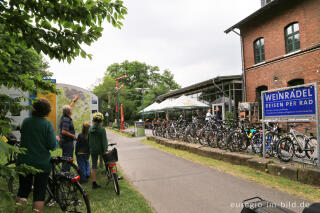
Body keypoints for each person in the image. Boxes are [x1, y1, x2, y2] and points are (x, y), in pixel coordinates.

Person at [16, 98, 59, 213]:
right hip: (42, 163)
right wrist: (56, 140)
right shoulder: (47, 124)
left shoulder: (26, 121)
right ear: (47, 111)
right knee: (39, 194)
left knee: (23, 190)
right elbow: (52, 146)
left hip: (24, 161)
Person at [88, 112, 108, 189]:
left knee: (93, 166)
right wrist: (106, 150)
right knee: (107, 161)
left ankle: (94, 183)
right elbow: (104, 141)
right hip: (101, 149)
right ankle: (108, 174)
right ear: (101, 121)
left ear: (93, 120)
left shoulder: (90, 129)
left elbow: (89, 140)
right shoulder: (102, 129)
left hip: (93, 150)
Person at [59, 95, 78, 163]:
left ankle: (65, 172)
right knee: (68, 159)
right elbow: (64, 131)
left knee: (66, 158)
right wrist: (73, 136)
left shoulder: (65, 116)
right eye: (71, 110)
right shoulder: (66, 119)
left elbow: (70, 107)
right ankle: (65, 172)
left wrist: (74, 100)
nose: (72, 110)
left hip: (66, 142)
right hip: (67, 142)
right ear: (69, 112)